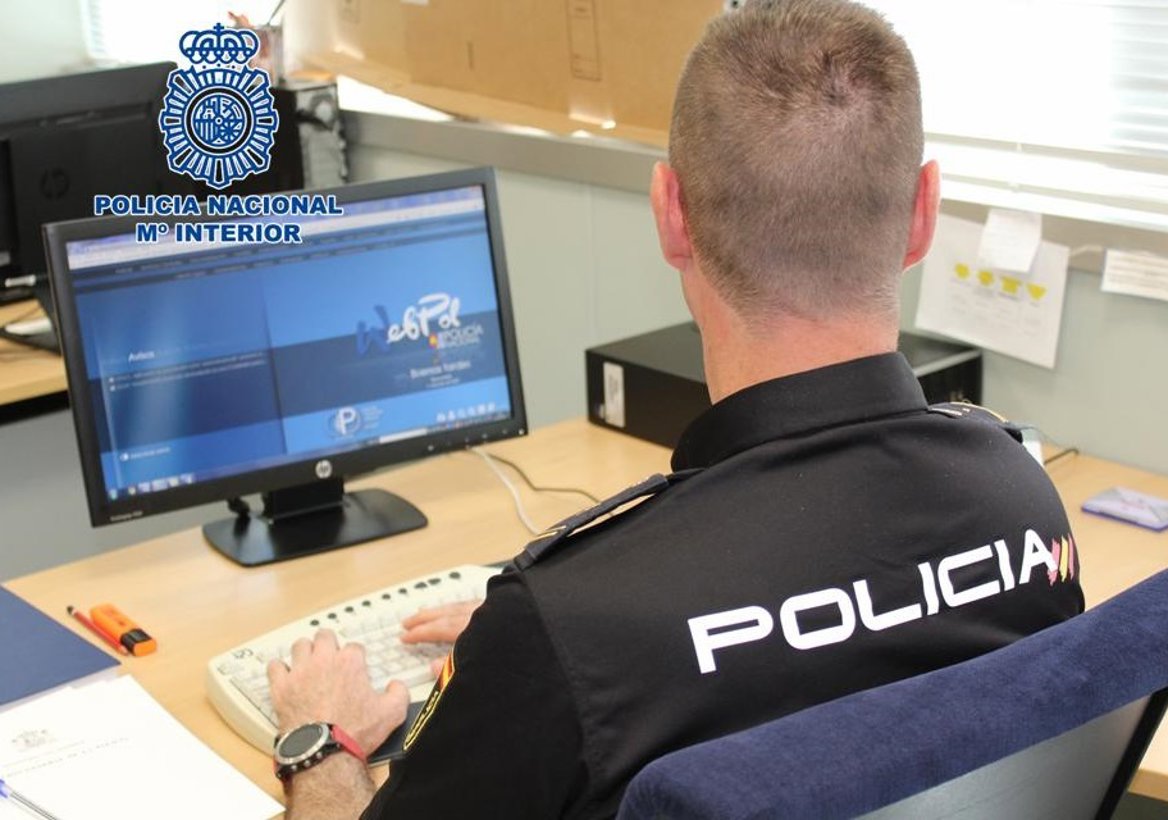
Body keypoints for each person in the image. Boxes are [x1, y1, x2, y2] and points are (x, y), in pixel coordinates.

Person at [267, 1, 1085, 817]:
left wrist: (321, 739)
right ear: (924, 212)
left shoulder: (572, 623)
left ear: (669, 213)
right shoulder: (1022, 505)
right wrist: (553, 650)